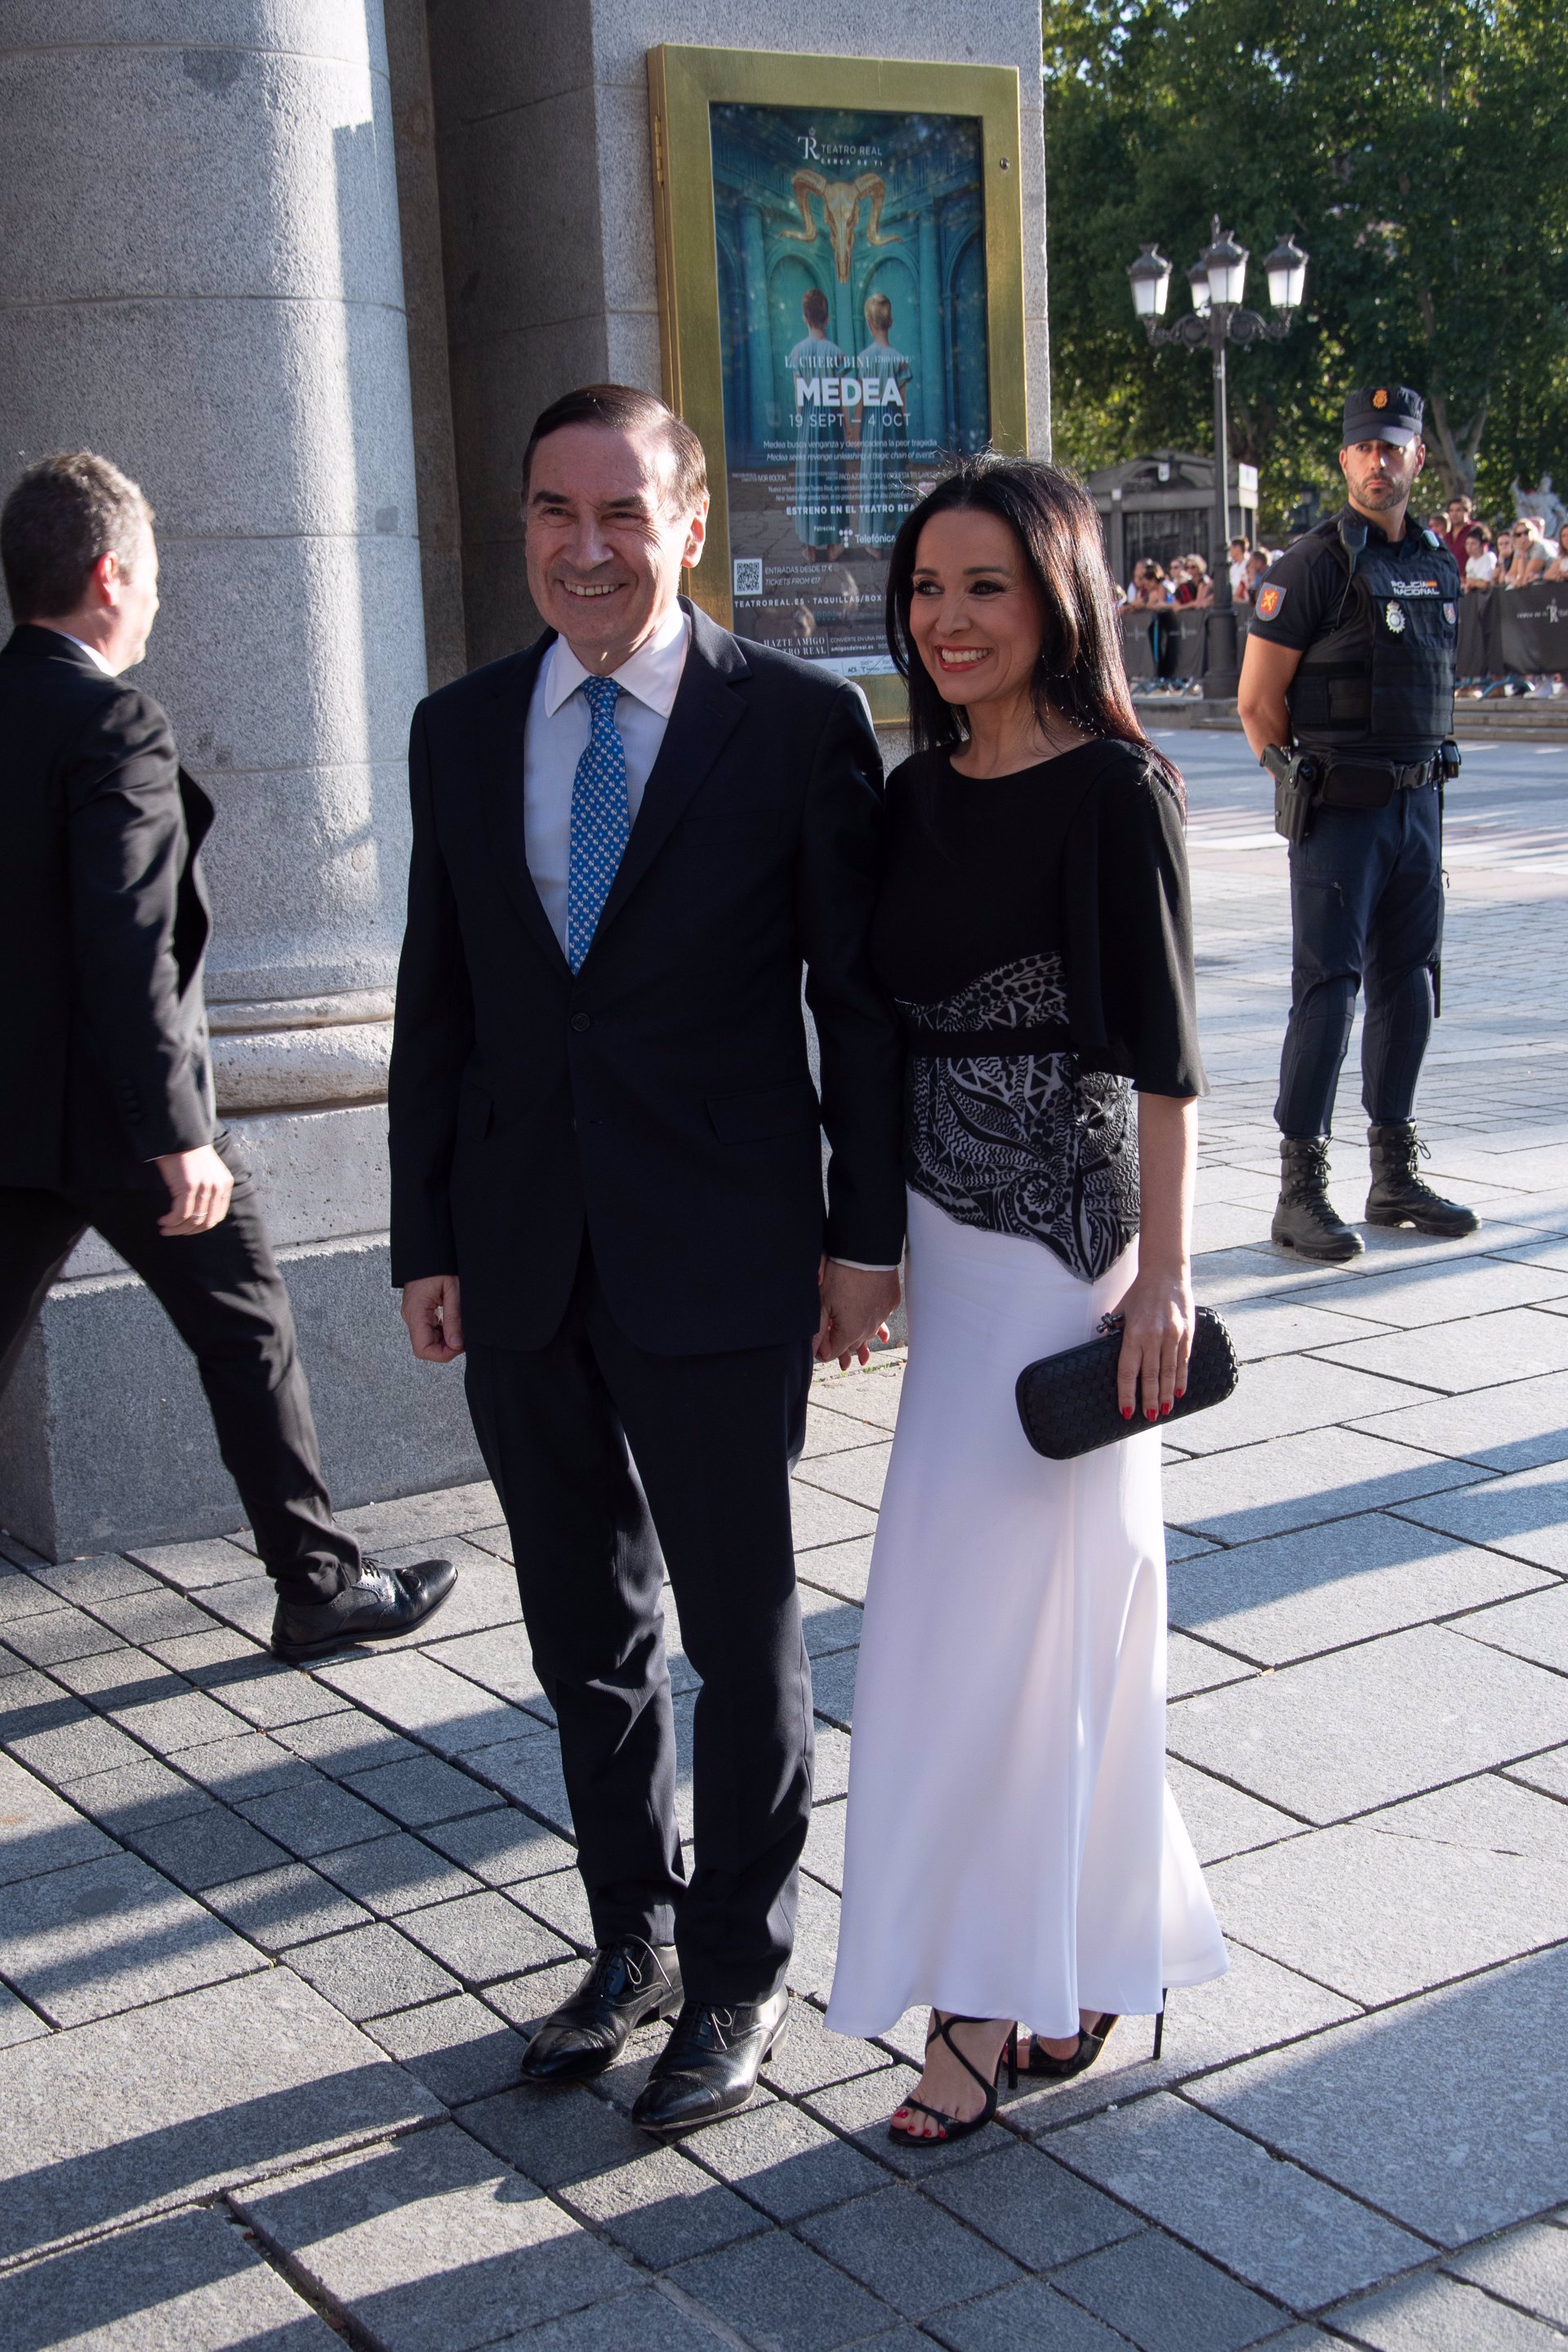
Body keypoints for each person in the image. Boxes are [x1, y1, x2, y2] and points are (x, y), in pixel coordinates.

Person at [388, 383, 905, 2136]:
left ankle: (741, 1970)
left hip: (723, 1249)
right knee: (579, 1628)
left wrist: (861, 1240)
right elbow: (437, 1001)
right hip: (524, 1248)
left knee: (739, 1628)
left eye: (623, 514)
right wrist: (422, 1237)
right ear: (525, 526)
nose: (586, 548)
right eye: (554, 512)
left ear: (690, 527)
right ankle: (633, 1939)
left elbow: (859, 1005)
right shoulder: (459, 731)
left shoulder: (798, 723)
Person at [826, 455, 1227, 2144]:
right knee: (970, 1623)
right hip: (948, 1241)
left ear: (1057, 596)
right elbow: (877, 1035)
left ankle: (982, 2005)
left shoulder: (1115, 792)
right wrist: (868, 1240)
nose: (950, 618)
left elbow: (1165, 1067)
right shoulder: (908, 797)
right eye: (929, 588)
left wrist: (1169, 1290)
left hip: (1078, 1270)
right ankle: (1068, 1961)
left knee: (1021, 1629)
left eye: (986, 585)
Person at [0, 453, 456, 1661]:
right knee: (248, 1330)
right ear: (107, 575)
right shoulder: (113, 722)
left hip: (7, 1118)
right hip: (124, 1126)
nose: (158, 599)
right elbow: (128, 939)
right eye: (152, 576)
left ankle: (318, 1579)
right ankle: (315, 1585)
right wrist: (178, 1132)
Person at [1237, 385, 1477, 1262]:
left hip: (1421, 808)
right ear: (1345, 460)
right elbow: (1257, 703)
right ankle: (1300, 1191)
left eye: (1397, 447)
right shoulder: (1311, 565)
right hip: (1340, 813)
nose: (1382, 461)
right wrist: (1288, 777)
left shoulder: (1438, 562)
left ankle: (1393, 1174)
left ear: (1420, 458)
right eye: (1366, 447)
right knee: (1329, 992)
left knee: (1409, 983)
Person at [786, 289, 852, 561]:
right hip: (831, 423)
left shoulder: (797, 352)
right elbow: (840, 395)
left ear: (805, 318)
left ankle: (810, 547)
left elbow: (799, 399)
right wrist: (847, 427)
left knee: (809, 482)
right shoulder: (837, 353)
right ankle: (833, 545)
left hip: (809, 425)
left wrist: (803, 420)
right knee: (832, 479)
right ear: (827, 317)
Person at [852, 292, 913, 552]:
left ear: (869, 323)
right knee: (896, 476)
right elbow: (902, 403)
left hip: (872, 426)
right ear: (891, 322)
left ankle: (873, 542)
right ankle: (899, 536)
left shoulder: (864, 359)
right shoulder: (899, 359)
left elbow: (861, 399)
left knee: (873, 479)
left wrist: (856, 429)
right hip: (893, 426)